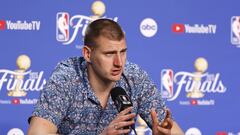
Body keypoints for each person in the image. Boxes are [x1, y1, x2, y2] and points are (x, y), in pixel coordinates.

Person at [27, 18, 184, 135]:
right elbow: (36, 133)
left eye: (123, 52)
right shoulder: (67, 77)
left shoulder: (134, 77)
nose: (119, 62)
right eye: (109, 54)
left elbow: (173, 131)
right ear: (87, 54)